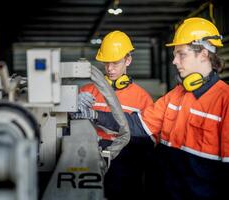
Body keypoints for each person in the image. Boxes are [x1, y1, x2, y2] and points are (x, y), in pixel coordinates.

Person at [76, 17, 229, 199]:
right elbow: (136, 125)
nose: (174, 61)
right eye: (174, 55)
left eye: (181, 54)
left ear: (204, 54)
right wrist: (93, 114)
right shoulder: (175, 95)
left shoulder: (224, 101)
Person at [74, 30, 154, 199]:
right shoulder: (88, 91)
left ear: (128, 60)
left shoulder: (142, 98)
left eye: (115, 63)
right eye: (106, 63)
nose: (109, 69)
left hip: (125, 165)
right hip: (89, 158)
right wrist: (72, 105)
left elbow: (148, 142)